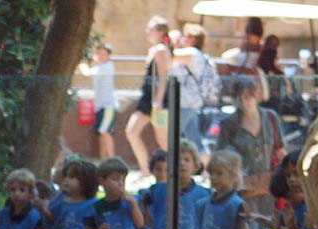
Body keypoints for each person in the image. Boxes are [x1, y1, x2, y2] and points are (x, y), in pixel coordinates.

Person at [217, 78, 285, 229]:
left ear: (256, 95)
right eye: (239, 97)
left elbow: (280, 152)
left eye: (248, 96)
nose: (244, 101)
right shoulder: (229, 124)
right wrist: (243, 183)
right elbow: (221, 160)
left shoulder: (271, 119)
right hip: (243, 193)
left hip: (268, 193)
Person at [125, 16, 172, 173]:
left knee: (163, 139)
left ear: (160, 31)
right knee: (132, 131)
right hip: (147, 99)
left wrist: (158, 102)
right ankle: (145, 171)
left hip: (157, 101)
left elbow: (164, 77)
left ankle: (173, 171)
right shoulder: (154, 49)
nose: (147, 32)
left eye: (151, 29)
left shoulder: (161, 50)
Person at [168, 23, 221, 152]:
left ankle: (169, 161)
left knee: (171, 137)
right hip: (191, 102)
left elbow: (170, 55)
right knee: (195, 141)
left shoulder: (193, 53)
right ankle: (207, 163)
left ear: (192, 38)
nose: (182, 39)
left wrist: (172, 41)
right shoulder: (197, 54)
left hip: (186, 103)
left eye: (185, 36)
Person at [80, 43, 117, 159]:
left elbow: (87, 73)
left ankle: (112, 160)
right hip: (100, 106)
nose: (100, 55)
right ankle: (103, 161)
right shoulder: (100, 67)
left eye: (103, 53)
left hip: (108, 106)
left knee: (105, 132)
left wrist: (81, 64)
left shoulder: (107, 66)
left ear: (109, 55)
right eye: (98, 53)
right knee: (101, 134)